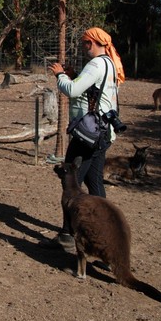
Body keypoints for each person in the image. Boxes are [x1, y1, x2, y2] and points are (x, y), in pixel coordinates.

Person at [42, 27, 122, 249]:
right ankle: (107, 229)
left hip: (88, 135)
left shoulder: (96, 64)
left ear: (94, 43)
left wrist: (60, 75)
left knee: (71, 183)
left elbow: (73, 91)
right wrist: (74, 75)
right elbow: (92, 90)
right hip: (103, 133)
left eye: (86, 43)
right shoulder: (109, 63)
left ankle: (67, 234)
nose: (85, 47)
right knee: (94, 182)